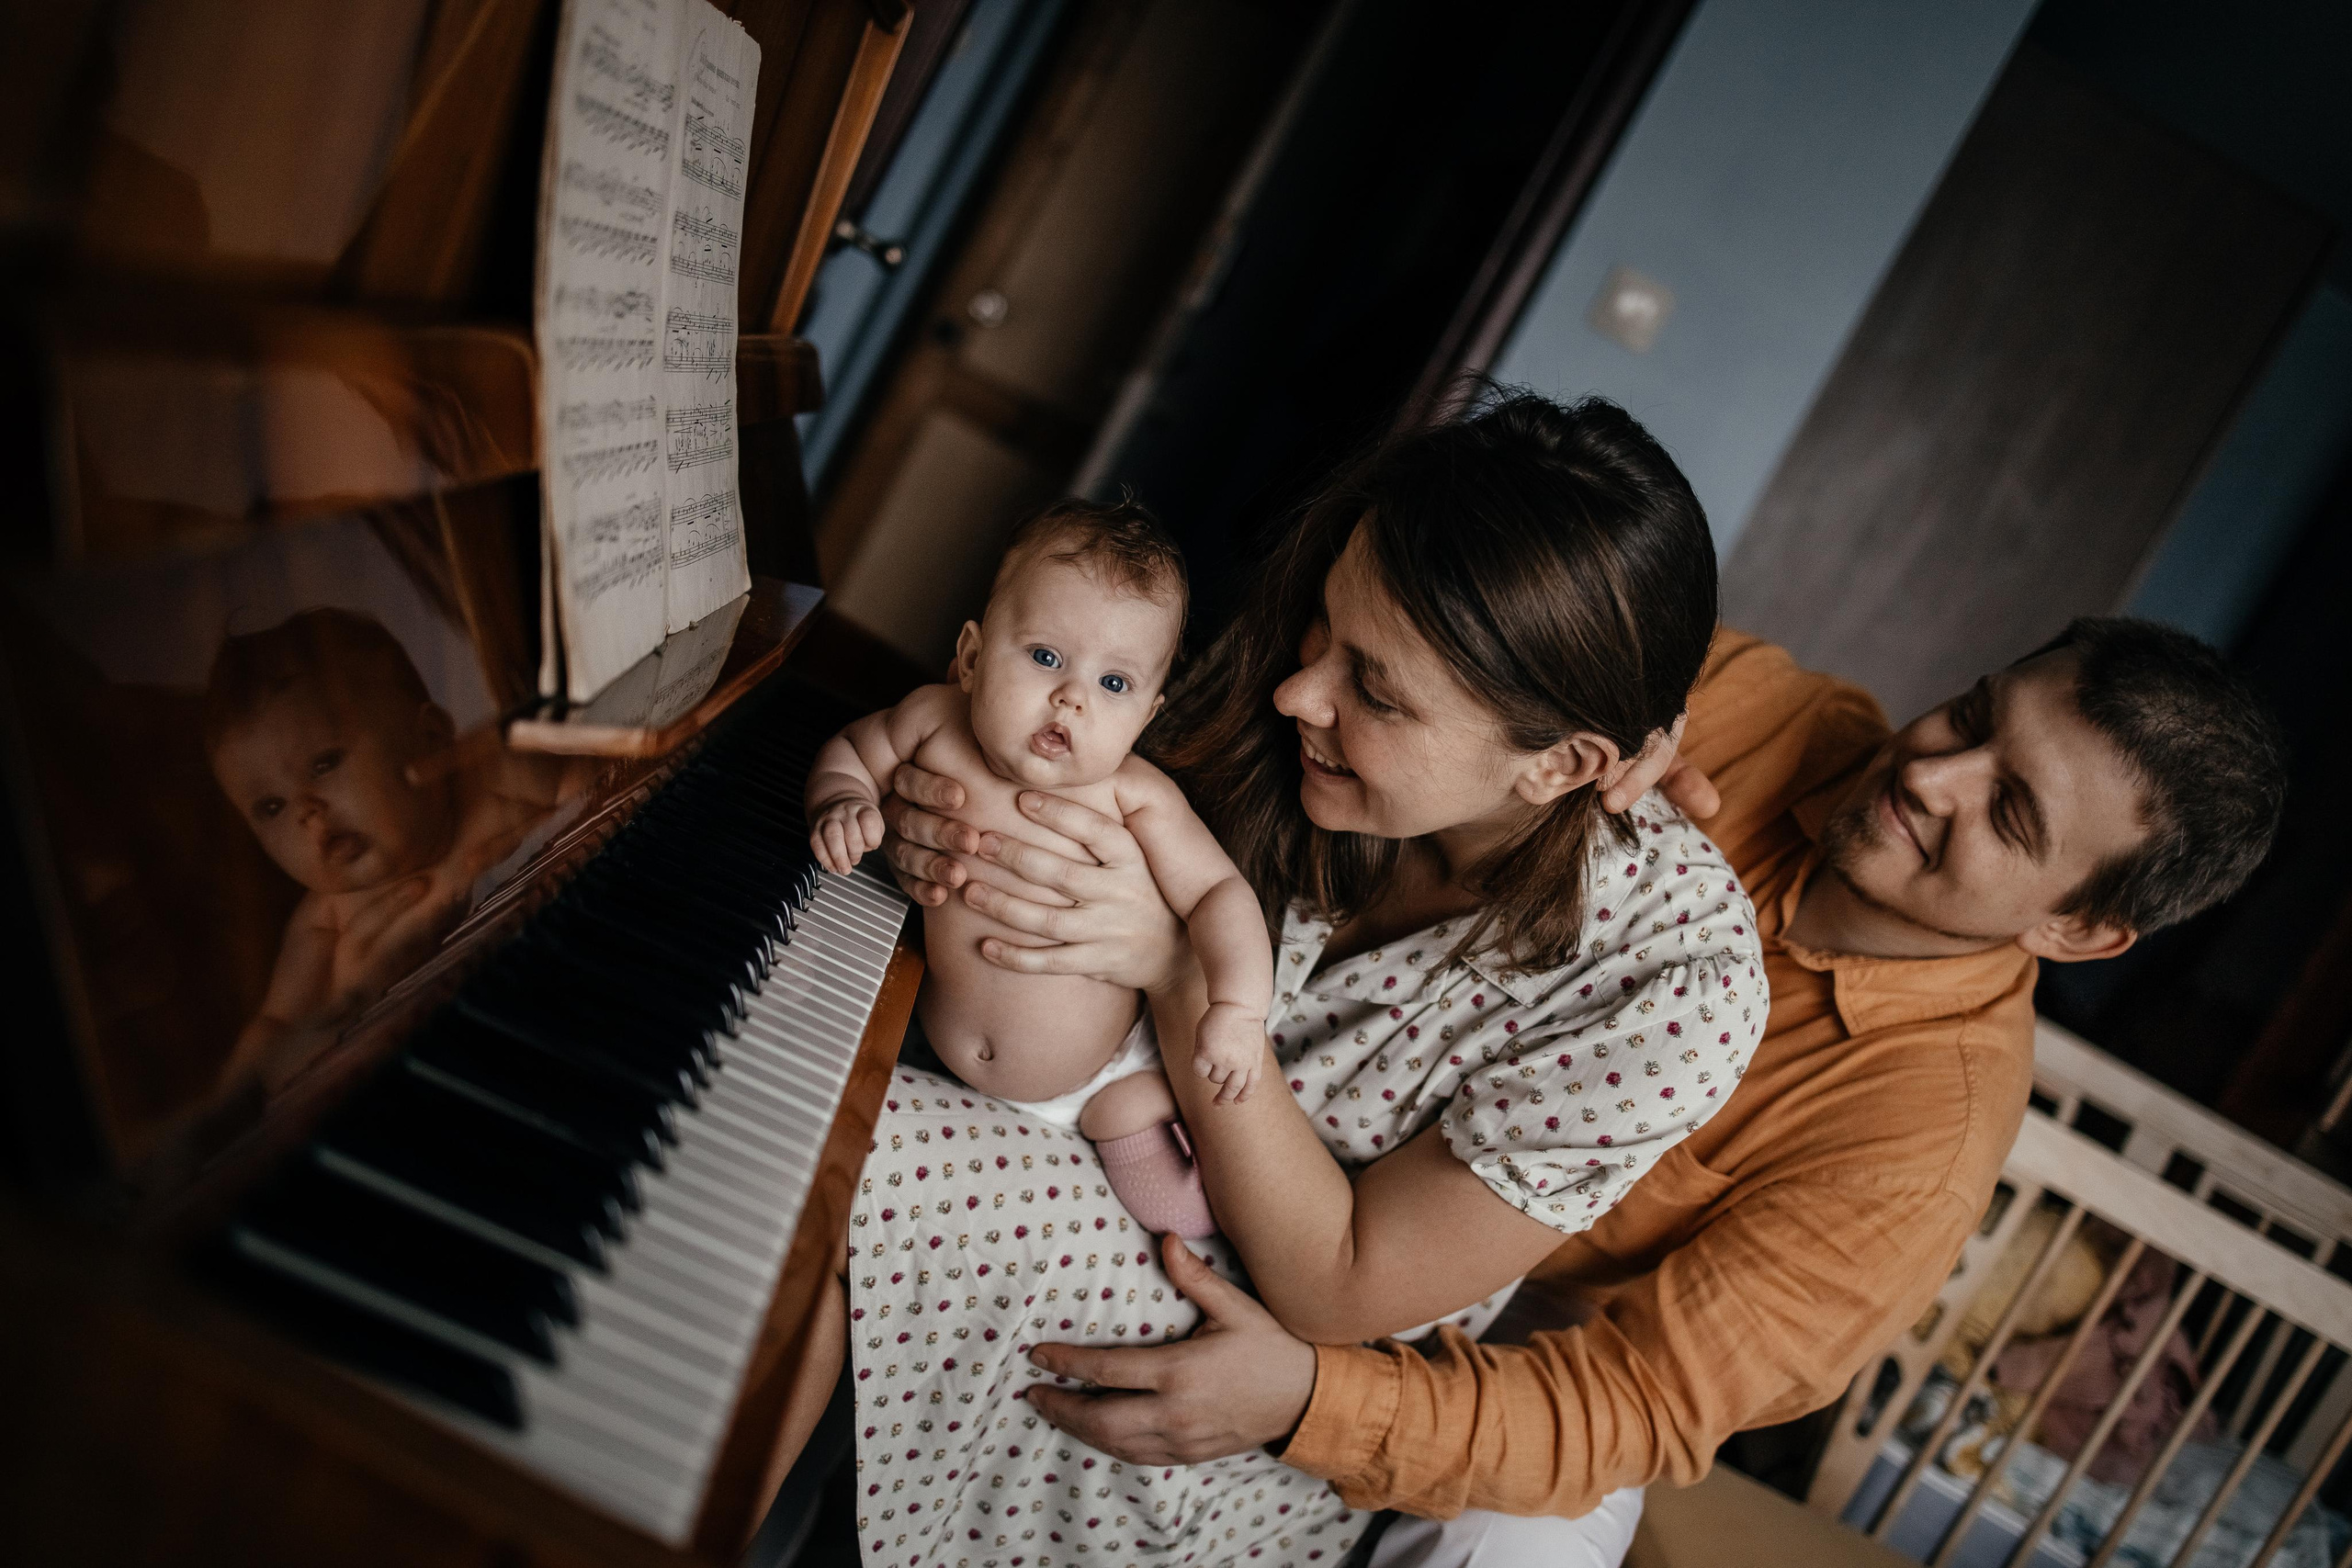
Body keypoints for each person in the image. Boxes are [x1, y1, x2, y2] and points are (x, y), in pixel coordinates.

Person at [887, 615, 2286, 1566]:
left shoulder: (1920, 1139)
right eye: (1975, 712)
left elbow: (1634, 1401)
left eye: (2011, 810)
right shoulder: (1740, 700)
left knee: (1521, 1546)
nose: (1932, 769)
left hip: (1523, 1333)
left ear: (2081, 930)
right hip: (1286, 1064)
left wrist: (1309, 1399)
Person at [834, 390, 1766, 1567]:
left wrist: (1176, 966)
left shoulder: (1672, 990)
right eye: (1321, 634)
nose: (1295, 694)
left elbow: (1337, 1287)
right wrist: (933, 820)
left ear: (1565, 764)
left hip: (1248, 1363)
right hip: (1071, 1134)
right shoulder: (1309, 707)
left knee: (847, 1154)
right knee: (812, 1103)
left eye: (1373, 691)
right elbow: (1038, 774)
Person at [806, 499, 1267, 1235]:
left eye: (1114, 684)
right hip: (934, 1047)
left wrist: (1239, 1010)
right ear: (972, 656)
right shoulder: (932, 720)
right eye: (1046, 656)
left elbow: (1219, 892)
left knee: (1175, 1212)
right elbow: (852, 751)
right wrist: (843, 801)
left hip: (1101, 1081)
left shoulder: (1134, 796)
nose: (1072, 697)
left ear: (1147, 715)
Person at [204, 607, 582, 1093]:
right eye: (271, 806)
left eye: (324, 764)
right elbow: (273, 1031)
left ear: (429, 739)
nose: (306, 811)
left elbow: (608, 795)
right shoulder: (324, 920)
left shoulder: (500, 779)